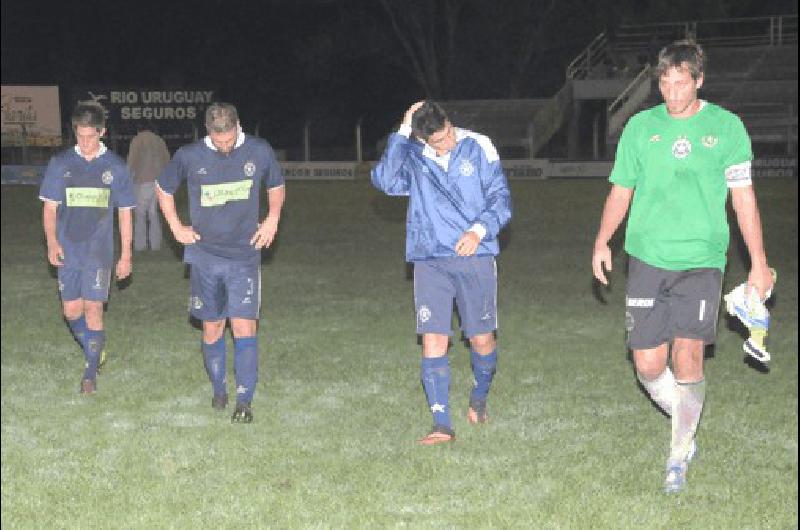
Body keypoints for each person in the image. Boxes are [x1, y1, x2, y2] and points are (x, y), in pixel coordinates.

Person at [591, 41, 774, 493]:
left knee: (687, 356)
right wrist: (602, 240)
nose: (672, 93)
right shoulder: (640, 127)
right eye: (665, 83)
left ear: (699, 81)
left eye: (681, 83)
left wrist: (759, 264)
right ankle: (686, 418)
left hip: (701, 261)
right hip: (647, 256)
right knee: (648, 365)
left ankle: (678, 456)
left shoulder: (727, 128)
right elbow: (621, 190)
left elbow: (743, 198)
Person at [372, 101, 512, 445]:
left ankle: (479, 395)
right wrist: (403, 130)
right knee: (433, 337)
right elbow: (385, 181)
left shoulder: (478, 146)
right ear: (422, 137)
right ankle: (441, 423)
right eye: (435, 141)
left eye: (446, 134)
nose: (444, 143)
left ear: (450, 123)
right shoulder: (414, 154)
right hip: (429, 258)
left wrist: (478, 230)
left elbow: (501, 197)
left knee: (481, 338)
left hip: (474, 256)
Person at [156, 102, 285, 423]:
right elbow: (162, 188)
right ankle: (218, 389)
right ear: (208, 134)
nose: (225, 147)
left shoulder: (259, 150)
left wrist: (272, 219)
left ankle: (244, 400)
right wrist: (175, 226)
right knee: (212, 326)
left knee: (243, 325)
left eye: (229, 141)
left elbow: (276, 185)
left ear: (238, 127)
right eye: (218, 142)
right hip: (204, 256)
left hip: (244, 255)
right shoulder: (189, 156)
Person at [39, 102, 135, 394]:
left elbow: (125, 212)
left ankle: (90, 373)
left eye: (90, 136)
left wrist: (126, 254)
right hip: (68, 249)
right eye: (79, 136)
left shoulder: (116, 167)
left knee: (94, 308)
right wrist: (52, 242)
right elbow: (50, 209)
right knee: (71, 311)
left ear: (102, 132)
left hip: (99, 252)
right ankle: (97, 347)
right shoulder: (61, 163)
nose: (85, 142)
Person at [127, 124, 170, 251]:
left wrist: (127, 180)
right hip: (158, 182)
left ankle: (140, 245)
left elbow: (131, 162)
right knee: (153, 213)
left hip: (142, 182)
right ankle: (155, 244)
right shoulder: (159, 140)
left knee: (140, 214)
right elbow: (167, 160)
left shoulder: (137, 140)